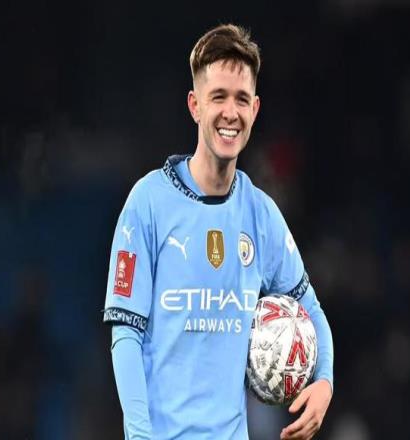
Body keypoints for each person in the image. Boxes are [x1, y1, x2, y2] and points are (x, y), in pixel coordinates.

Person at [103, 24, 333, 440]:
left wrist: (324, 380)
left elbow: (311, 310)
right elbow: (126, 334)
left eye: (241, 99)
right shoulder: (148, 203)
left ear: (255, 110)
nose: (231, 112)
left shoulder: (261, 214)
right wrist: (138, 434)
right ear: (195, 105)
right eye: (218, 97)